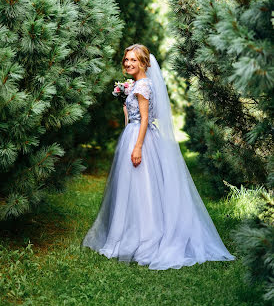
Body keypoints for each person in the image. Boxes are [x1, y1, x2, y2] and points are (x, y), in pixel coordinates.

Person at [82, 44, 235, 270]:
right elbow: (133, 117)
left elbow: (144, 119)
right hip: (133, 134)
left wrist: (137, 147)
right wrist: (125, 105)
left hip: (139, 138)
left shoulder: (142, 86)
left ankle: (144, 236)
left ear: (144, 63)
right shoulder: (136, 85)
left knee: (141, 188)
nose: (128, 63)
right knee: (132, 189)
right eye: (126, 60)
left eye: (133, 60)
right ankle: (130, 231)